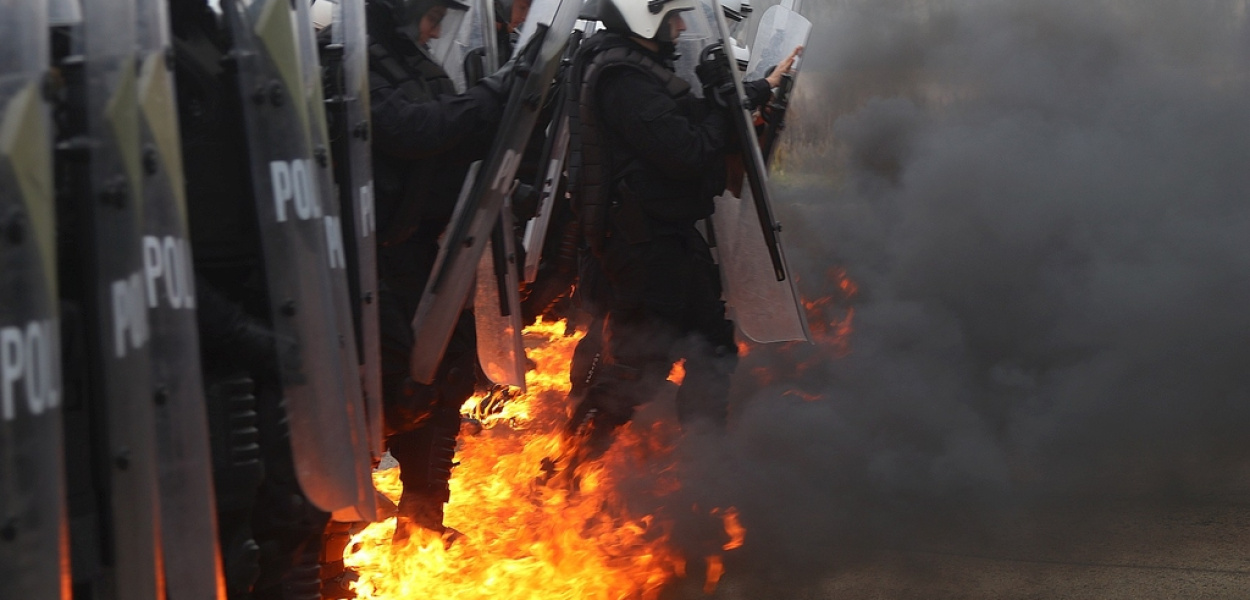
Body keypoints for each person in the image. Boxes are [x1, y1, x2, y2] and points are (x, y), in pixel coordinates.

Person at [563, 0, 799, 468]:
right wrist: (725, 101)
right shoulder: (622, 80)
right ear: (642, 14)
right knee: (634, 372)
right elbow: (688, 149)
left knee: (713, 346)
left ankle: (704, 465)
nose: (680, 25)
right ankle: (563, 475)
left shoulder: (640, 70)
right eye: (672, 16)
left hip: (666, 237)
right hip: (643, 247)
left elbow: (690, 115)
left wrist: (755, 89)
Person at [364, 0, 511, 540]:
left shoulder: (415, 65)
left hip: (424, 256)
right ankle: (329, 559)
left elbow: (457, 134)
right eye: (430, 14)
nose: (435, 29)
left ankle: (422, 522)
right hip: (371, 265)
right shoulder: (351, 61)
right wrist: (498, 90)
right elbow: (415, 129)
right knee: (380, 400)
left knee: (444, 382)